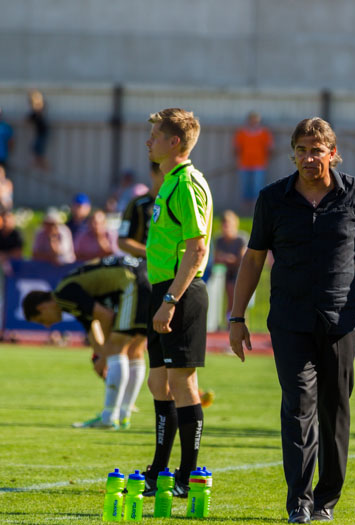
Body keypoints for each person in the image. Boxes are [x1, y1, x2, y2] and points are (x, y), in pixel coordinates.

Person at [229, 117, 355, 524]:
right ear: (292, 153)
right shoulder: (273, 198)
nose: (309, 158)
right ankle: (300, 501)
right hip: (289, 319)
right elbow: (254, 258)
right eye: (302, 150)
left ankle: (327, 496)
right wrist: (237, 316)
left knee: (334, 408)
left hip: (341, 319)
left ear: (333, 152)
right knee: (297, 406)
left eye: (316, 150)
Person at [141, 108, 213, 498]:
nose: (148, 141)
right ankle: (159, 469)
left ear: (174, 142)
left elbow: (197, 248)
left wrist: (171, 299)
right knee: (158, 381)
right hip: (162, 289)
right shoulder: (169, 182)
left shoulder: (187, 184)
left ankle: (186, 475)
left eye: (154, 135)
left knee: (184, 383)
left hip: (180, 291)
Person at [22, 255, 150, 430]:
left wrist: (105, 357)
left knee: (117, 347)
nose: (47, 325)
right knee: (135, 350)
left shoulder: (63, 294)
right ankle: (123, 415)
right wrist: (100, 356)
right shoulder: (69, 293)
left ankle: (108, 417)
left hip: (133, 283)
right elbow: (92, 327)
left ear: (42, 308)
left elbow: (105, 316)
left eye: (41, 320)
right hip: (148, 277)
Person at [118, 162, 162, 259]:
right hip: (142, 264)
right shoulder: (137, 204)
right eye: (163, 175)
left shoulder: (177, 203)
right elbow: (122, 241)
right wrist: (150, 253)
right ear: (153, 174)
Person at [233, 111, 273, 212]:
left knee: (257, 186)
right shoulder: (242, 133)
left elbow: (269, 148)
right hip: (244, 164)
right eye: (252, 120)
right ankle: (245, 208)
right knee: (245, 186)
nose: (254, 122)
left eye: (256, 121)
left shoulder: (264, 133)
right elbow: (237, 148)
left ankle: (256, 206)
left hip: (259, 164)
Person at [213, 210, 248, 322]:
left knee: (241, 302)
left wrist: (226, 258)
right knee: (230, 299)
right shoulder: (219, 239)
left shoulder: (241, 239)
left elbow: (241, 260)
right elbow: (216, 259)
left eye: (228, 224)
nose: (226, 227)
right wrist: (229, 259)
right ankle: (229, 323)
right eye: (224, 224)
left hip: (241, 273)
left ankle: (242, 324)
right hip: (227, 273)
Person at [27, 89, 50, 170]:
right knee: (35, 148)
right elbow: (29, 119)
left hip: (42, 133)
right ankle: (38, 162)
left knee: (38, 148)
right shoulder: (34, 114)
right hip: (40, 133)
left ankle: (43, 164)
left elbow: (40, 106)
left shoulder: (39, 112)